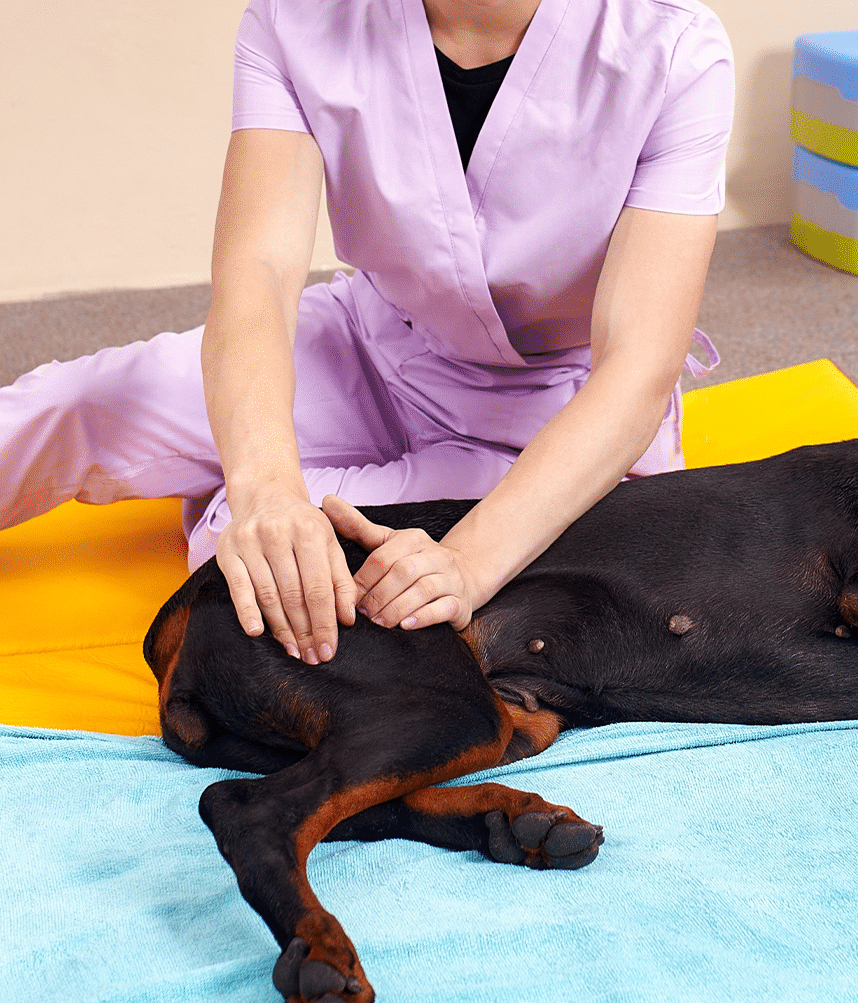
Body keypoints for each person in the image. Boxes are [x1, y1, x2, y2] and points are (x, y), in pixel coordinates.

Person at [0, 0, 733, 666]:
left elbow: (638, 366)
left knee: (255, 584)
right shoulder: (293, 23)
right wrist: (264, 487)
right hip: (368, 340)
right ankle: (236, 493)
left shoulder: (675, 49)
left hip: (548, 415)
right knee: (80, 400)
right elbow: (257, 272)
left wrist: (467, 563)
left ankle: (224, 504)